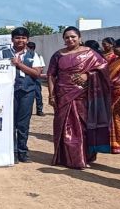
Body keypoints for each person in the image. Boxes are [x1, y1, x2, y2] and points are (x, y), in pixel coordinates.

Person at [47, 26, 111, 169]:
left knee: (82, 126)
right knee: (63, 125)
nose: (70, 39)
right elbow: (51, 75)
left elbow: (103, 69)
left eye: (73, 37)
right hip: (62, 94)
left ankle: (81, 157)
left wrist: (87, 75)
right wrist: (51, 95)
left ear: (79, 38)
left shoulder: (90, 53)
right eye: (67, 37)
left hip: (83, 94)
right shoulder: (58, 55)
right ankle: (64, 157)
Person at [4, 27, 44, 163]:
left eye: (23, 38)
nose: (20, 40)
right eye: (17, 37)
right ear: (12, 39)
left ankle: (23, 151)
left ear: (27, 40)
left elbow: (36, 73)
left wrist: (19, 65)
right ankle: (12, 152)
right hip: (9, 92)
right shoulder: (3, 53)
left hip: (27, 92)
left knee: (23, 123)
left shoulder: (33, 55)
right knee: (10, 122)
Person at [26, 42, 46, 116]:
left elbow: (41, 68)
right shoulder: (25, 56)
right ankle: (31, 111)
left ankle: (39, 110)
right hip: (28, 77)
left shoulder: (38, 56)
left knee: (38, 94)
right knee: (29, 95)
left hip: (35, 77)